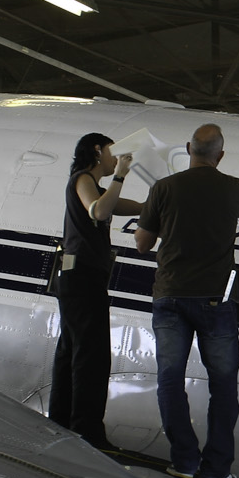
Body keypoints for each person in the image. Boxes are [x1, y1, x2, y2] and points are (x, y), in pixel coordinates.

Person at [135, 123, 239, 478]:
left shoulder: (164, 188)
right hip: (215, 301)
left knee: (170, 380)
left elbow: (142, 243)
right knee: (223, 386)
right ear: (220, 154)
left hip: (170, 296)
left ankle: (184, 460)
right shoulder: (234, 188)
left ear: (188, 148)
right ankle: (216, 470)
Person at [49, 132, 142, 451]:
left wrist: (150, 205)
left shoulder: (92, 185)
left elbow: (117, 205)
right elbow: (99, 211)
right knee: (92, 354)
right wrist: (120, 175)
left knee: (72, 350)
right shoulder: (83, 180)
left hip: (77, 277)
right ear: (98, 151)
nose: (116, 159)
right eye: (113, 153)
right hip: (83, 277)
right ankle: (87, 430)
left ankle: (60, 422)